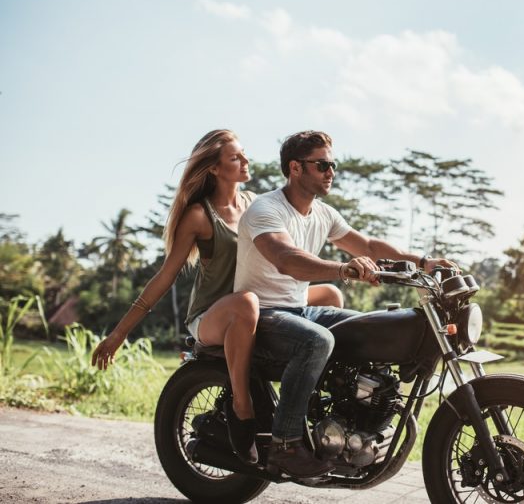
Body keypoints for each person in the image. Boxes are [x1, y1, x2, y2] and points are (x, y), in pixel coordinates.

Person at [90, 129, 343, 466]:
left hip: (262, 306)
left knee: (330, 294)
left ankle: (302, 400)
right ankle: (242, 406)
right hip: (215, 313)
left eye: (244, 154)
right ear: (214, 168)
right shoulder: (200, 215)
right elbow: (165, 277)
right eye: (235, 157)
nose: (246, 160)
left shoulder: (257, 203)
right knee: (246, 302)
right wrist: (119, 333)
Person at [234, 130, 456, 478]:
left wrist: (423, 261)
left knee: (373, 331)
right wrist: (342, 269)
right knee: (316, 341)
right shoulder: (267, 209)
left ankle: (354, 424)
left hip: (300, 309)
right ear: (295, 168)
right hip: (262, 314)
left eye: (332, 164)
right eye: (322, 164)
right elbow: (286, 259)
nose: (330, 171)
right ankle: (286, 444)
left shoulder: (323, 214)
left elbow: (366, 245)